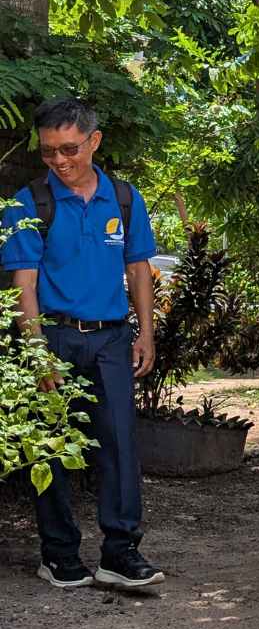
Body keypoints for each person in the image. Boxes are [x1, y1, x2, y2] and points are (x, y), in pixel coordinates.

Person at [1, 97, 164, 590]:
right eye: (50, 152)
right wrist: (35, 352)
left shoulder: (124, 198)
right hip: (51, 336)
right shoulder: (30, 204)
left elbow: (138, 270)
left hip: (112, 340)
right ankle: (59, 553)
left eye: (69, 149)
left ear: (94, 141)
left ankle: (120, 552)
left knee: (120, 445)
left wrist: (145, 333)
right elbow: (22, 285)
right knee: (51, 447)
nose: (60, 161)